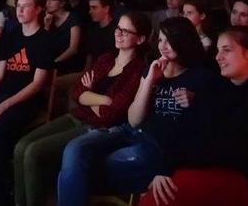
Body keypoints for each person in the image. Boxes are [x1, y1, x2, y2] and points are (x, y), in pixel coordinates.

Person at [57, 17, 212, 206]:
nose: (163, 46)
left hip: (153, 146)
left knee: (76, 172)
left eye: (170, 40)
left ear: (184, 42)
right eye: (161, 40)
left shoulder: (199, 77)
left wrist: (165, 168)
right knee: (75, 150)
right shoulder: (152, 70)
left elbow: (199, 130)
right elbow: (134, 120)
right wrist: (149, 81)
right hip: (130, 132)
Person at [13, 12, 150, 206]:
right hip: (78, 116)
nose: (118, 34)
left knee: (34, 152)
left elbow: (110, 113)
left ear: (140, 39)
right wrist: (104, 99)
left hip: (99, 127)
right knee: (21, 146)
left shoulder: (138, 71)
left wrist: (89, 97)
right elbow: (77, 91)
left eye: (126, 31)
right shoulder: (106, 59)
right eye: (118, 28)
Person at [139, 27, 248, 206]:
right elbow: (184, 132)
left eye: (226, 50)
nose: (218, 57)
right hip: (207, 168)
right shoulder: (217, 88)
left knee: (160, 198)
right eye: (217, 50)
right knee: (159, 190)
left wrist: (176, 168)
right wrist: (165, 170)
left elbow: (233, 149)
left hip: (244, 179)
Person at [0, 0, 53, 206]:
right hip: (3, 96)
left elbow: (37, 84)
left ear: (38, 9)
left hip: (25, 102)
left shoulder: (45, 40)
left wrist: (3, 106)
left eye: (26, 6)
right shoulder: (11, 35)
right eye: (18, 6)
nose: (20, 10)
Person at [44, 0, 84, 74]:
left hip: (70, 65)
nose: (48, 3)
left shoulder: (73, 18)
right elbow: (43, 46)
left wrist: (54, 63)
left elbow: (73, 49)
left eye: (53, 0)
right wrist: (46, 26)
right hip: (52, 65)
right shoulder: (47, 19)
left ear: (62, 3)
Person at [82, 0, 118, 67]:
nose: (90, 11)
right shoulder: (92, 28)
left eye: (94, 8)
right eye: (90, 8)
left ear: (106, 9)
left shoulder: (117, 32)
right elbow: (90, 55)